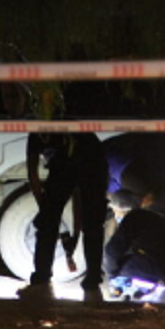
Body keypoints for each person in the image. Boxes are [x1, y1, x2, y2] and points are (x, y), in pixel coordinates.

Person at [19, 129, 109, 304]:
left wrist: (47, 211)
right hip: (74, 163)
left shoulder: (74, 138)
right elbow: (33, 175)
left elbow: (35, 175)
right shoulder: (38, 135)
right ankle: (87, 288)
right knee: (83, 225)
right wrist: (45, 209)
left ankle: (46, 284)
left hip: (90, 164)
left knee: (91, 225)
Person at [102, 132, 165, 221]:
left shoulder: (126, 172)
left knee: (157, 218)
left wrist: (119, 208)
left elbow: (146, 196)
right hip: (151, 162)